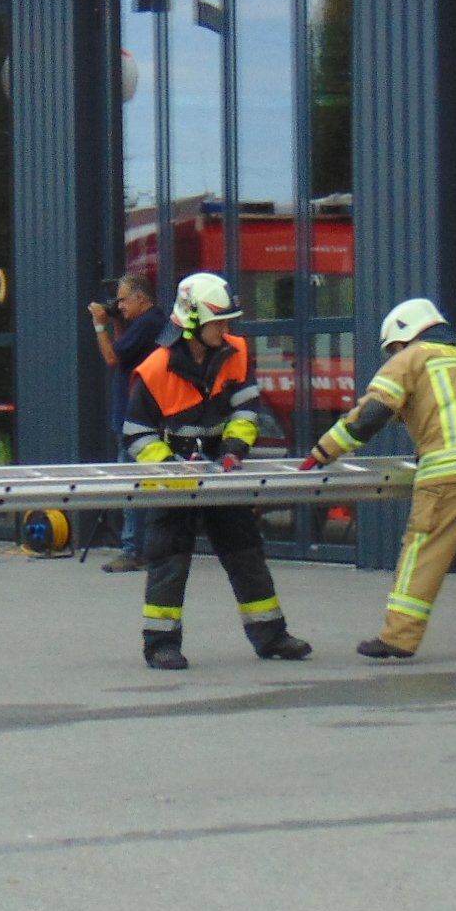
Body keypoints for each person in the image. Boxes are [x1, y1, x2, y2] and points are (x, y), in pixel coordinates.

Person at [305, 298, 456, 662]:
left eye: (392, 349)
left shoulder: (411, 359)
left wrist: (322, 451)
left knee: (425, 549)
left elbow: (371, 415)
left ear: (404, 337)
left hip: (451, 468)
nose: (392, 355)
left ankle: (399, 636)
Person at [123, 271, 313, 671]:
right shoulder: (156, 369)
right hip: (174, 473)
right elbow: (137, 434)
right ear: (192, 321)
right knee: (169, 560)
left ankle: (271, 637)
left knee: (245, 553)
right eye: (219, 323)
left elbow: (246, 409)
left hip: (222, 469)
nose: (226, 330)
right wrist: (172, 468)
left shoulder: (235, 352)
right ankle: (160, 645)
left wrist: (232, 451)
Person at [89, 273, 168, 573]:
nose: (118, 306)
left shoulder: (148, 323)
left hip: (134, 418)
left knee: (133, 483)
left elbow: (112, 357)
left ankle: (133, 549)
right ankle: (143, 547)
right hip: (138, 415)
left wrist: (100, 324)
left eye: (123, 300)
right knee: (141, 483)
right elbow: (126, 350)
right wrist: (117, 320)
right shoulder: (147, 323)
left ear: (141, 298)